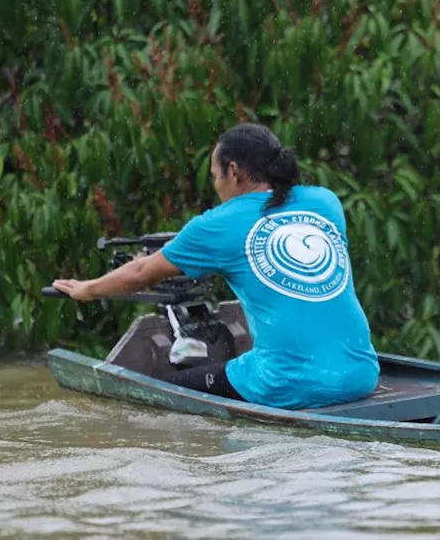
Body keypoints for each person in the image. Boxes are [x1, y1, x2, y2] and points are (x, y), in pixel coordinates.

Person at [52, 123, 380, 410]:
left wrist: (87, 289)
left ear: (233, 171)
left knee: (167, 392)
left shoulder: (218, 225)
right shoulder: (325, 202)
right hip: (360, 375)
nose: (216, 185)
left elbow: (140, 273)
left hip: (284, 384)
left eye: (215, 176)